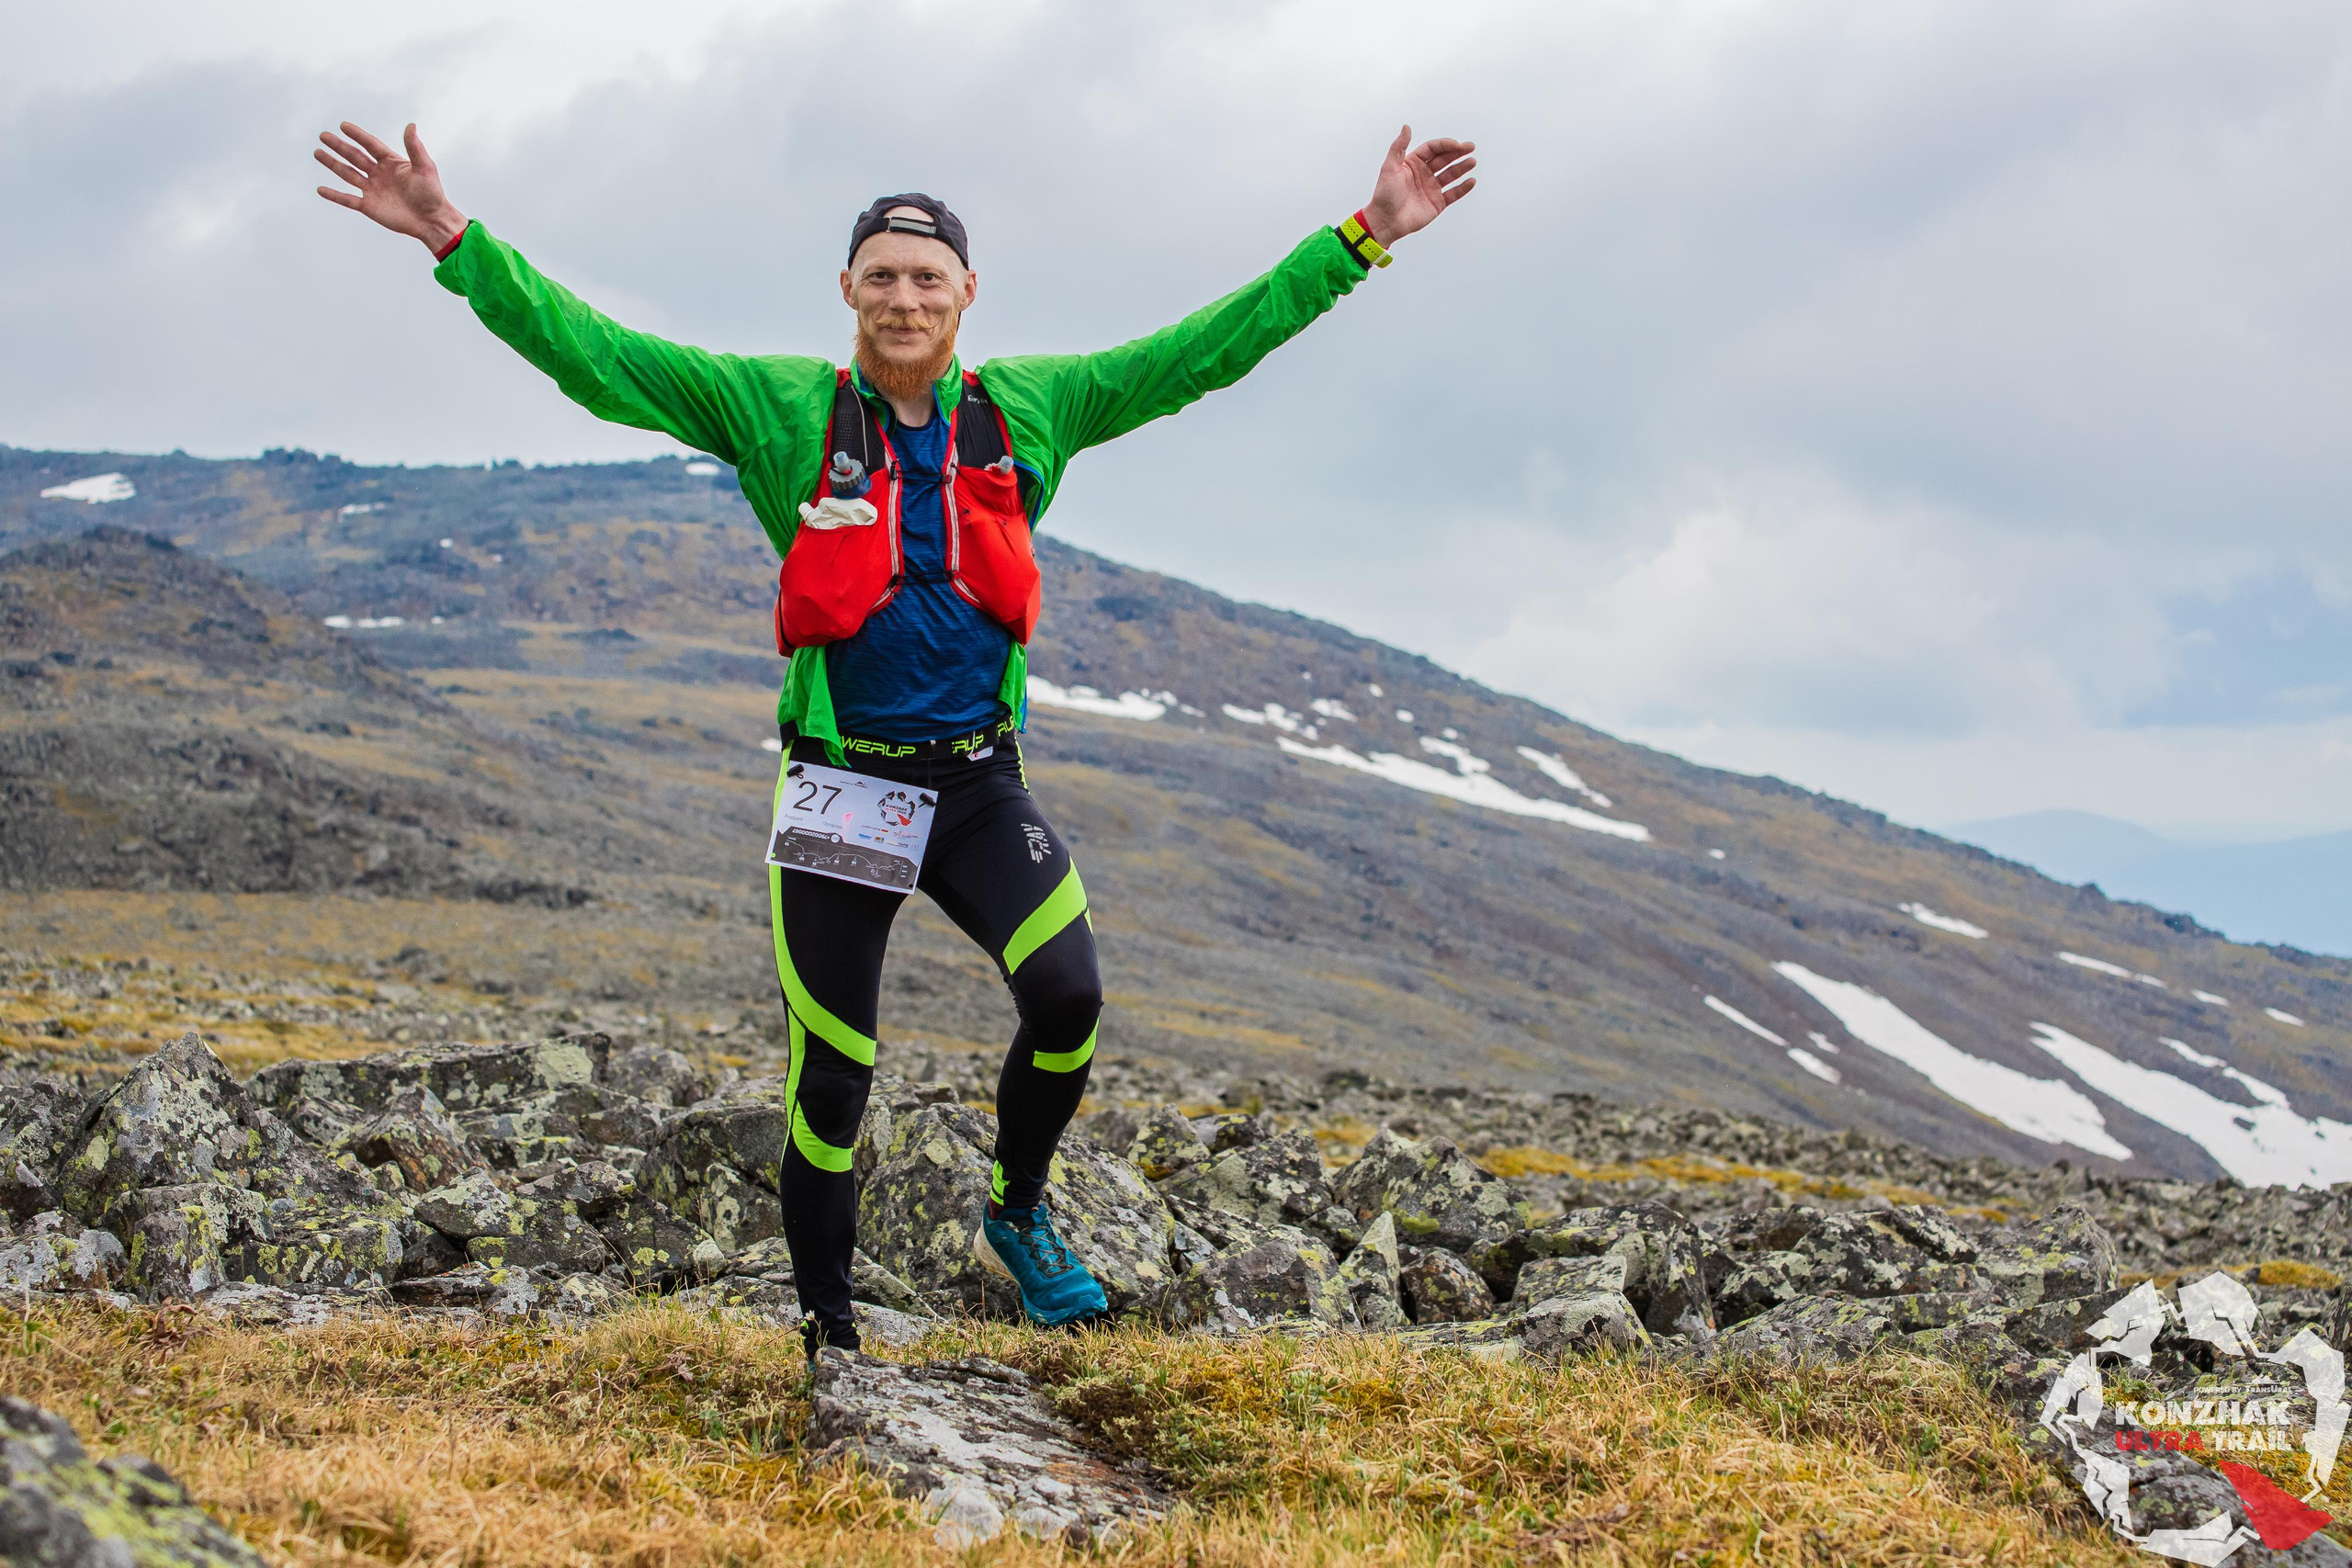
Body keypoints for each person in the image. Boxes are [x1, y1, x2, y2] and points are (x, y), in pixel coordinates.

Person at [314, 118, 1476, 1354]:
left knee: (1069, 997)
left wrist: (1365, 238)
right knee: (835, 1077)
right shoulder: (777, 409)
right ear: (848, 293)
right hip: (844, 797)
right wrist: (451, 235)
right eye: (882, 276)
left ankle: (1018, 1215)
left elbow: (1207, 349)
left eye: (928, 277)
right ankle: (831, 1332)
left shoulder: (1040, 407)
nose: (906, 297)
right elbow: (598, 355)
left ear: (967, 293)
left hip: (976, 785)